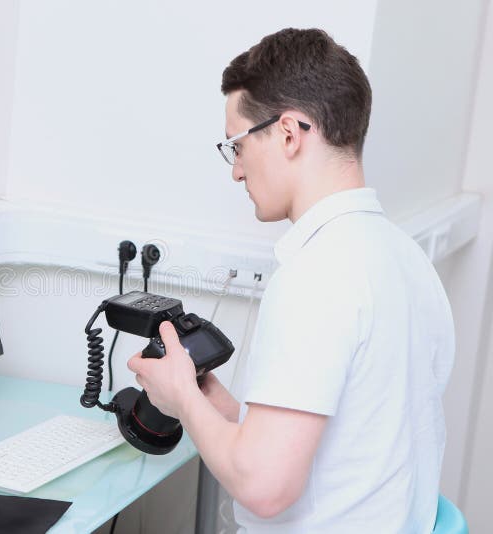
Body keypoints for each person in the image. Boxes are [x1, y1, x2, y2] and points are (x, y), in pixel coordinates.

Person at [128, 28, 454, 533]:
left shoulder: (317, 275)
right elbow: (355, 445)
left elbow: (265, 488)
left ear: (287, 134)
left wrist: (183, 401)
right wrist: (220, 408)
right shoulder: (404, 257)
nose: (236, 172)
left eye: (236, 146)